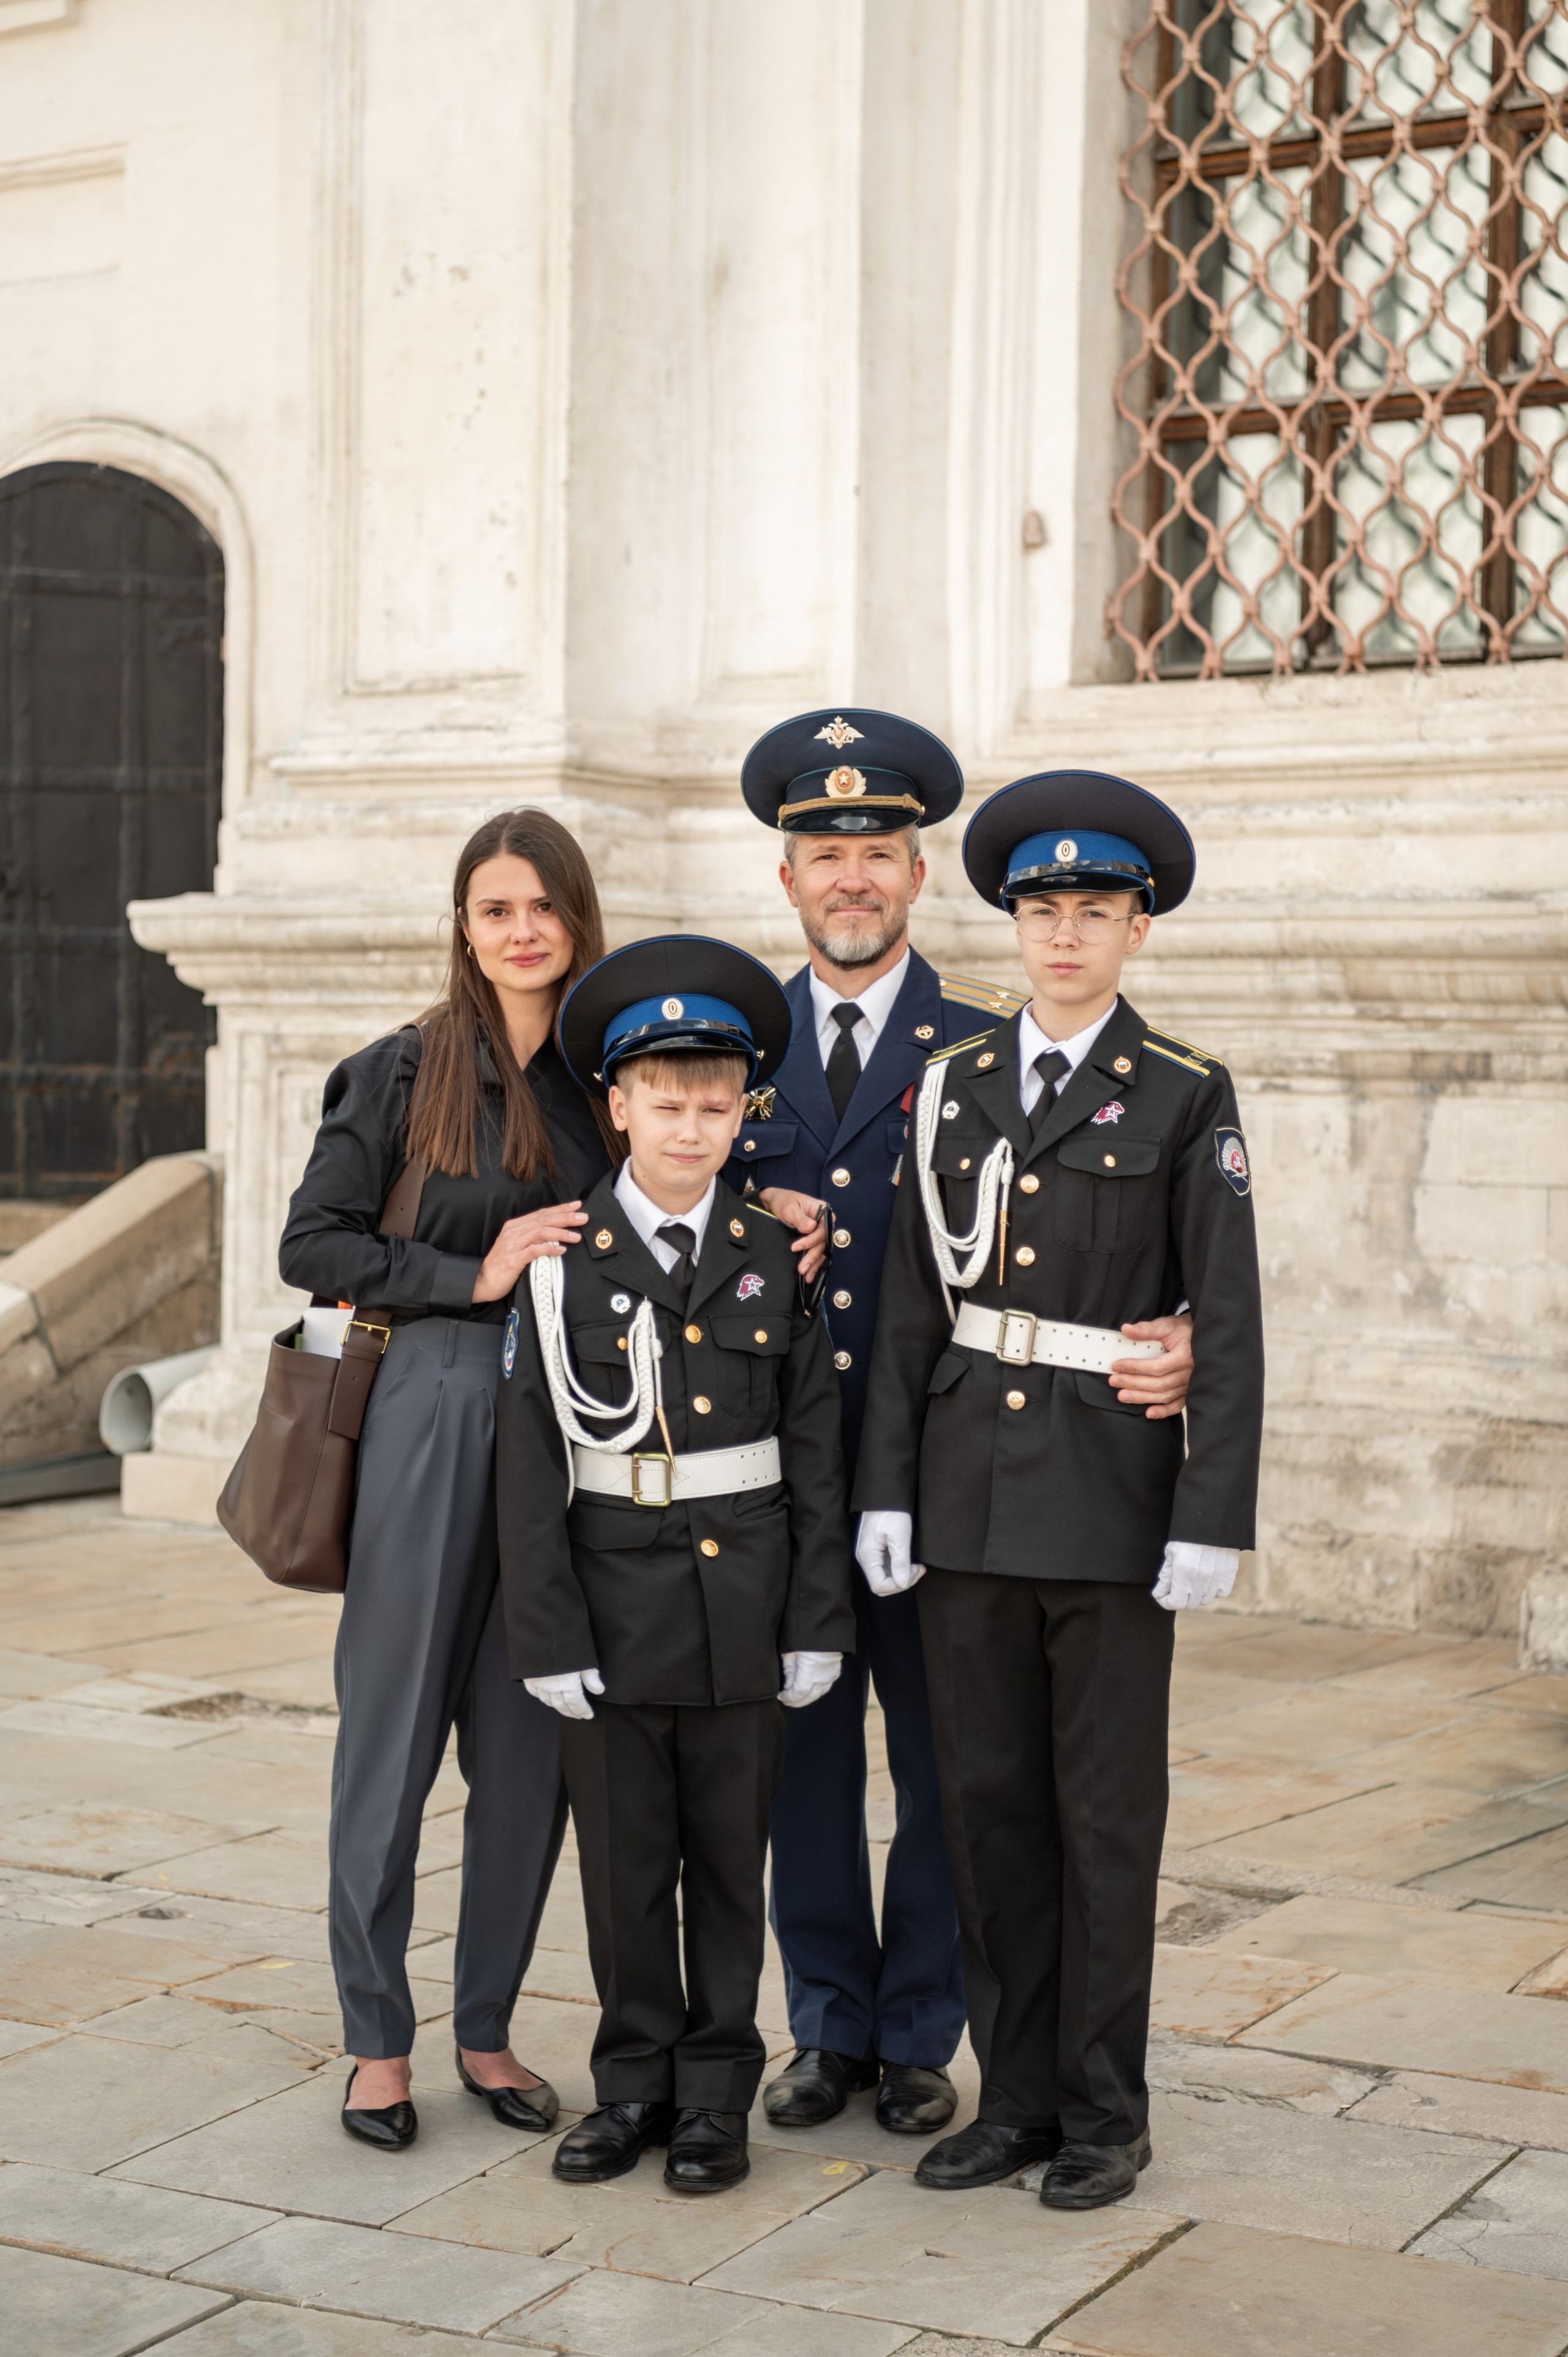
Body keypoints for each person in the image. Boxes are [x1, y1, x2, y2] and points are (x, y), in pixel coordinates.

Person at [727, 709, 1197, 2138]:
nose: (850, 877)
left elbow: (1112, 1232)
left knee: (954, 1767)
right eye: (824, 855)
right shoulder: (728, 1046)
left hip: (943, 1467)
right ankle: (826, 2023)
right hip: (776, 1474)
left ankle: (921, 2027)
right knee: (803, 1759)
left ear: (918, 874)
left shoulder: (987, 1044)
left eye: (876, 851)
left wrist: (1177, 1329)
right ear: (787, 880)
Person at [853, 771, 1266, 2211]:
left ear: (1136, 930)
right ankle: (1013, 2097)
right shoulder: (952, 1084)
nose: (1065, 935)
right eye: (1043, 912)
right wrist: (885, 1488)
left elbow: (1227, 1313)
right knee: (983, 1812)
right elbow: (911, 1302)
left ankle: (1102, 2111)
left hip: (1108, 1505)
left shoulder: (1183, 1091)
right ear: (1013, 926)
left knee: (1101, 1823)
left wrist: (1208, 1509)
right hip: (964, 1494)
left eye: (1094, 912)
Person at [279, 807, 620, 2151]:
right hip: (431, 1406)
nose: (523, 930)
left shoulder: (612, 1075)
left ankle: (485, 2028)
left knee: (531, 1749)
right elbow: (313, 1241)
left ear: (578, 919)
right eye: (496, 909)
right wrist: (469, 1273)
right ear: (465, 927)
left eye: (544, 906)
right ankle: (376, 2040)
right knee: (392, 1740)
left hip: (574, 1432)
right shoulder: (398, 1072)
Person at [496, 937, 856, 2195]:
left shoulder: (772, 1253)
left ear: (743, 1113)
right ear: (617, 1107)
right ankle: (631, 2088)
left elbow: (813, 1450)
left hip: (745, 1606)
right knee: (625, 1871)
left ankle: (714, 2099)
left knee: (729, 1869)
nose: (690, 1129)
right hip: (611, 1607)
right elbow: (529, 1464)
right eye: (665, 1105)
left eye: (714, 1107)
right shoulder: (559, 1262)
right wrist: (546, 1633)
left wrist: (817, 1619)